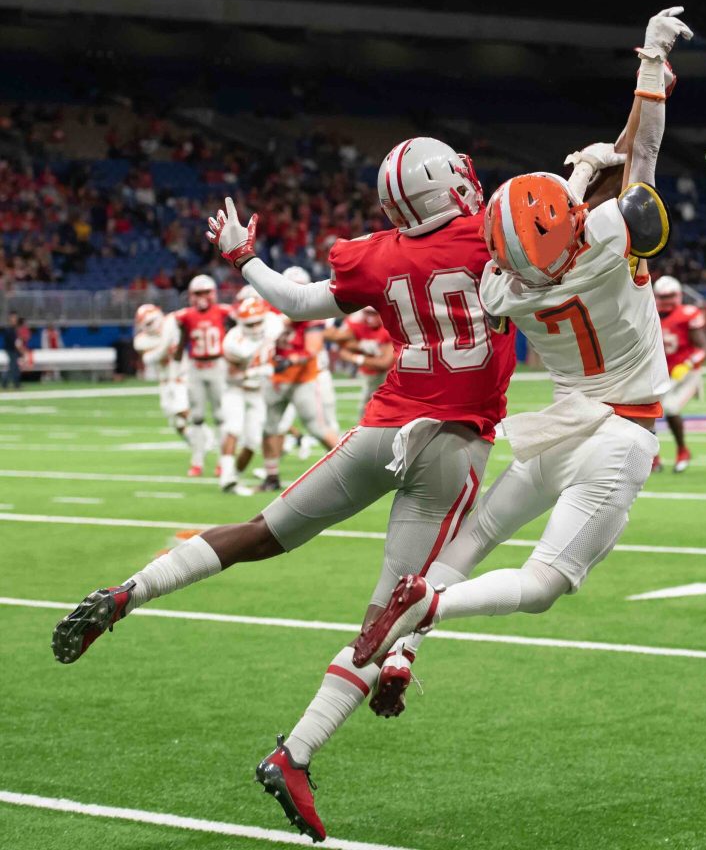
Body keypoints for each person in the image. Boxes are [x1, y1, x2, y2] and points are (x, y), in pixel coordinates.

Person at [52, 136, 517, 845]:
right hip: (453, 443)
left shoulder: (379, 252)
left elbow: (298, 303)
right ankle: (296, 751)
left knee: (261, 533)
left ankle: (127, 594)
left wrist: (243, 257)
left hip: (381, 429)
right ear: (447, 187)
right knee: (391, 610)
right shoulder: (492, 239)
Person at [350, 6, 691, 760]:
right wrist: (650, 63)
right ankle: (428, 603)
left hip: (558, 427)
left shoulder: (503, 286)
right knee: (544, 583)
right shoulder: (606, 242)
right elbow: (641, 162)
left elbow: (536, 233)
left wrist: (574, 171)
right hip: (619, 432)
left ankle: (405, 646)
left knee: (473, 536)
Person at [259, 266, 341, 492]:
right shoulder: (271, 312)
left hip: (303, 380)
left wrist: (291, 360)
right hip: (277, 378)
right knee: (270, 428)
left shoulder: (312, 314)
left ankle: (349, 472)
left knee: (318, 428)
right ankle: (271, 476)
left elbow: (312, 350)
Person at [175, 275, 234, 477]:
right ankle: (197, 461)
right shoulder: (186, 316)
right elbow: (181, 343)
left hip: (218, 365)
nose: (202, 297)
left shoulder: (225, 312)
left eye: (205, 292)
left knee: (221, 416)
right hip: (196, 367)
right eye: (198, 293)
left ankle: (222, 462)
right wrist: (176, 368)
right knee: (197, 417)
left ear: (213, 293)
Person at [219, 296, 278, 494]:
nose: (255, 328)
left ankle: (233, 478)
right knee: (233, 428)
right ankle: (226, 476)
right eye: (249, 324)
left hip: (259, 392)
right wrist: (255, 372)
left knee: (252, 441)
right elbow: (231, 373)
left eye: (257, 322)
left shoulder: (274, 324)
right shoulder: (233, 342)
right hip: (236, 389)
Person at [652, 276, 706, 472]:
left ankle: (682, 450)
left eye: (670, 296)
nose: (666, 300)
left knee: (671, 408)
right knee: (646, 413)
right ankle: (653, 457)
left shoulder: (688, 314)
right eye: (662, 296)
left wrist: (688, 364)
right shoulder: (649, 314)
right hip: (660, 374)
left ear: (678, 296)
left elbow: (703, 348)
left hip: (686, 375)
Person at [132, 303, 189, 442]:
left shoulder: (171, 323)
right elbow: (151, 358)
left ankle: (204, 434)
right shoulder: (142, 340)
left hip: (182, 376)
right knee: (177, 423)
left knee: (181, 410)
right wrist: (166, 344)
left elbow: (189, 314)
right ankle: (198, 443)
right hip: (164, 381)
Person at [325, 306, 395, 419]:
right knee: (366, 412)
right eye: (367, 313)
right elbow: (334, 339)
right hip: (368, 375)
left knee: (384, 412)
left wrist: (356, 358)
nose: (371, 317)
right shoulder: (358, 325)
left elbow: (384, 364)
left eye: (374, 313)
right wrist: (340, 320)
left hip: (389, 378)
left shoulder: (389, 328)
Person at [1, 312, 26, 389]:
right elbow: (14, 342)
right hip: (11, 350)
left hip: (14, 350)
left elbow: (17, 341)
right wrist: (20, 350)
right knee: (13, 367)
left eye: (15, 318)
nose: (15, 320)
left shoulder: (14, 329)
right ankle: (9, 383)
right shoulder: (9, 330)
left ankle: (13, 383)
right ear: (10, 319)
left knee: (14, 368)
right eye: (13, 318)